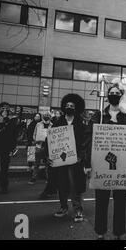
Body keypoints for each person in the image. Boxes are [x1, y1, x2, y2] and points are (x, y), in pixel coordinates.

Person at [85, 83, 126, 240]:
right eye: (111, 92)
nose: (114, 94)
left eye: (117, 92)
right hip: (102, 166)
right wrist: (87, 163)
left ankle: (118, 233)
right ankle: (100, 232)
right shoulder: (99, 116)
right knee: (101, 201)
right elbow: (89, 139)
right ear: (108, 96)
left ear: (120, 95)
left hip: (122, 167)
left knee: (120, 202)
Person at [49, 94, 87, 222]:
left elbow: (84, 141)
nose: (69, 107)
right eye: (67, 106)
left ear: (76, 108)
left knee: (75, 185)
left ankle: (78, 210)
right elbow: (50, 140)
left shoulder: (80, 124)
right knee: (61, 184)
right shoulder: (57, 122)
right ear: (63, 108)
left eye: (72, 106)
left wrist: (81, 157)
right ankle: (63, 207)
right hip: (60, 160)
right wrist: (48, 155)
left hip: (75, 160)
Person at [29, 112, 50, 185]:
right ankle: (33, 178)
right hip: (38, 146)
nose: (46, 116)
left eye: (48, 116)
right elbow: (34, 134)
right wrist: (36, 140)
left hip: (48, 147)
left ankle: (48, 178)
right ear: (43, 117)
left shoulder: (52, 125)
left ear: (50, 117)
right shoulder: (38, 124)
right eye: (45, 115)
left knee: (48, 164)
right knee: (36, 163)